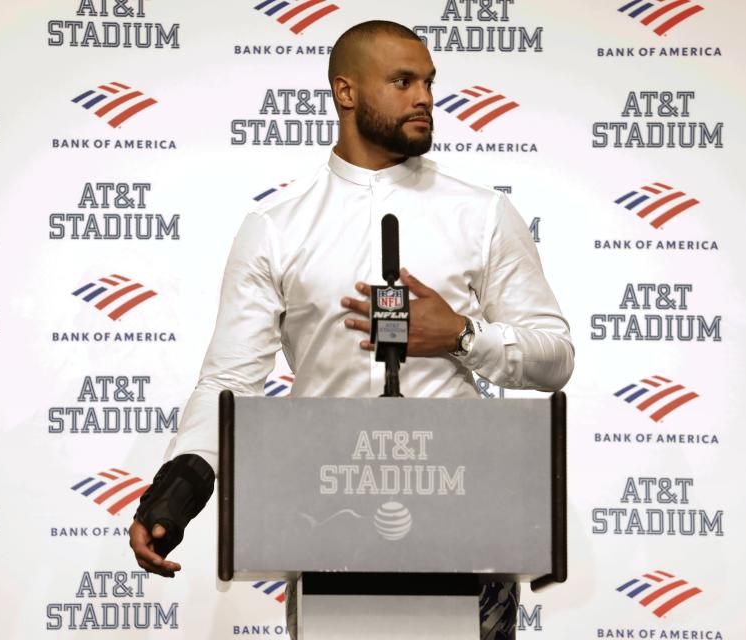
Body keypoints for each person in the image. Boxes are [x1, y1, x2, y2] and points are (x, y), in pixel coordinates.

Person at [129, 19, 574, 640]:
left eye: (428, 81)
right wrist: (174, 494)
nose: (424, 97)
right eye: (402, 80)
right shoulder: (278, 227)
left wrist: (462, 336)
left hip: (468, 519)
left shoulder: (483, 214)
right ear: (346, 92)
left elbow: (555, 357)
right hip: (327, 518)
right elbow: (231, 380)